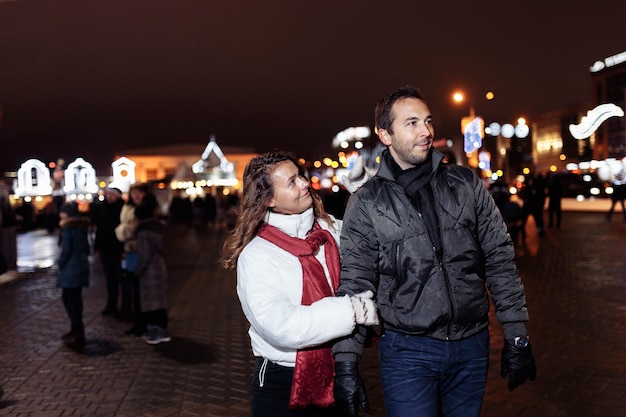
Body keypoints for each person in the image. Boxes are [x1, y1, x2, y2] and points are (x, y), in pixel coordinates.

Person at [332, 86, 536, 417]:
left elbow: (499, 258)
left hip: (472, 345)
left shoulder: (465, 183)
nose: (426, 132)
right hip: (407, 351)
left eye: (427, 121)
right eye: (411, 123)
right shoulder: (367, 202)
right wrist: (346, 361)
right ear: (385, 134)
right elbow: (355, 285)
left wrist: (515, 332)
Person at [222, 151, 378, 417]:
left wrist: (366, 194)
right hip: (281, 383)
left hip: (336, 371)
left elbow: (375, 243)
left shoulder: (330, 230)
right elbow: (281, 325)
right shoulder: (257, 255)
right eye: (292, 182)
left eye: (301, 176)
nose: (305, 183)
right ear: (269, 199)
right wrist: (351, 310)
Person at [133, 194, 171, 345]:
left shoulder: (143, 232)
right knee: (160, 300)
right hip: (159, 265)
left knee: (151, 301)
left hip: (149, 270)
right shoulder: (158, 228)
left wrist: (137, 270)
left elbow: (144, 254)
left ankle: (156, 331)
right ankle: (163, 329)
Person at [115, 182, 150, 336]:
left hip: (143, 254)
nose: (136, 195)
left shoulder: (146, 211)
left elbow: (131, 232)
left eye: (140, 192)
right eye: (134, 192)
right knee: (134, 289)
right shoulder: (127, 209)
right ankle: (138, 323)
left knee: (144, 291)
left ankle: (146, 323)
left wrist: (127, 231)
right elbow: (124, 231)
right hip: (130, 253)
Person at [57, 202, 91, 347]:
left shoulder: (68, 228)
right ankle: (79, 331)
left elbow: (66, 249)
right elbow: (87, 248)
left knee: (68, 297)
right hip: (81, 265)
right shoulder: (82, 228)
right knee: (76, 298)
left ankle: (76, 328)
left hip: (71, 267)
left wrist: (61, 264)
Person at [92, 187, 128, 317]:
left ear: (117, 196)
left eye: (112, 194)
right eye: (108, 194)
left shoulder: (123, 209)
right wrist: (97, 247)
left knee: (122, 279)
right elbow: (99, 229)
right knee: (110, 279)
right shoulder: (103, 208)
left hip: (118, 249)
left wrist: (124, 248)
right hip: (105, 249)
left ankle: (126, 308)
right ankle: (111, 305)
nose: (109, 196)